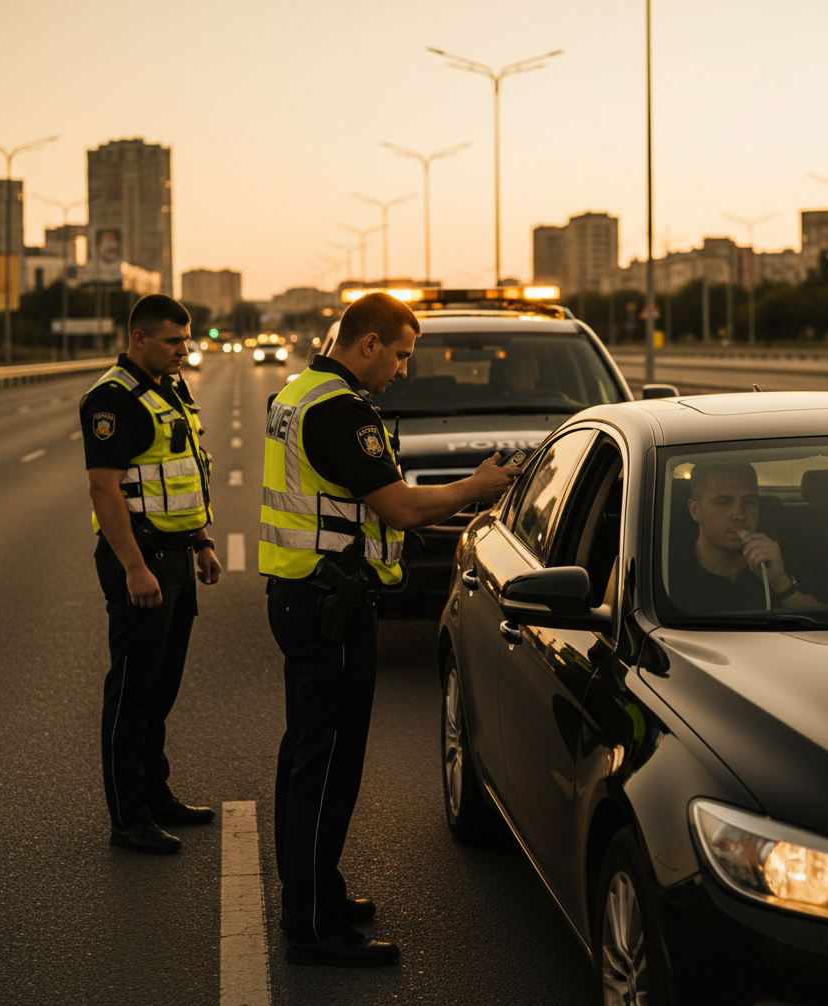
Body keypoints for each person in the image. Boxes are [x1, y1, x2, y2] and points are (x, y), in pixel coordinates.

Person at [260, 291, 522, 967]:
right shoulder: (341, 412)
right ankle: (312, 927)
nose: (403, 370)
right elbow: (399, 507)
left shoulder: (298, 393)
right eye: (401, 356)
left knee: (306, 756)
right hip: (330, 605)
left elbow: (351, 506)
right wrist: (475, 487)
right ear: (368, 343)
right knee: (327, 765)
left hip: (302, 594)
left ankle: (313, 891)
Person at [80, 294, 222, 854]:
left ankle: (155, 795)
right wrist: (134, 568)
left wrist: (202, 542)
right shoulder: (112, 399)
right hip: (141, 559)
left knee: (161, 688)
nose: (183, 350)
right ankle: (128, 818)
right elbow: (104, 489)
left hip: (177, 554)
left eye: (186, 340)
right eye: (172, 341)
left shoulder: (170, 389)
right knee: (132, 693)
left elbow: (182, 473)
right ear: (139, 339)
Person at [669, 461, 818, 613]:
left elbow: (820, 621)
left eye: (749, 502)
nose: (739, 514)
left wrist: (781, 583)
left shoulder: (779, 560)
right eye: (724, 503)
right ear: (695, 511)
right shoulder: (667, 568)